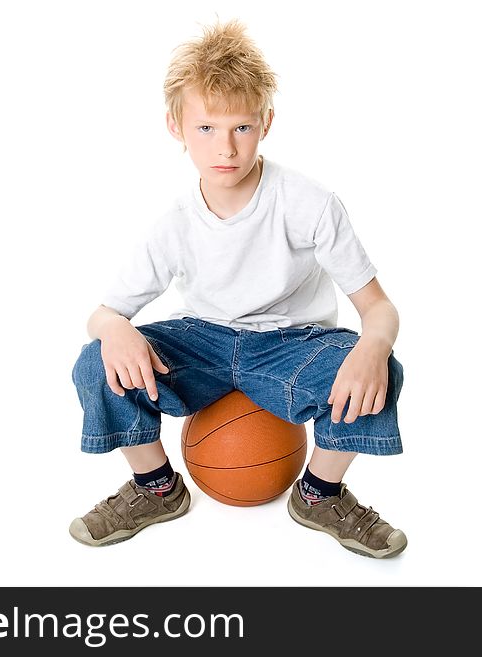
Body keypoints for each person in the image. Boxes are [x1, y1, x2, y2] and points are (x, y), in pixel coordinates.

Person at [69, 18, 407, 558]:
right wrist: (115, 330)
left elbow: (379, 308)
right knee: (95, 362)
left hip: (292, 347)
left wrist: (372, 345)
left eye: (241, 128)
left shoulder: (309, 203)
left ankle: (320, 495)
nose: (225, 147)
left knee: (381, 370)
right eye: (206, 128)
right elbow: (104, 313)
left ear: (265, 123)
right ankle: (156, 488)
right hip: (202, 342)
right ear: (176, 126)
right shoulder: (175, 223)